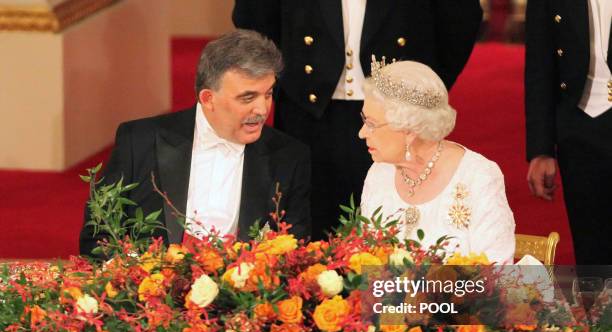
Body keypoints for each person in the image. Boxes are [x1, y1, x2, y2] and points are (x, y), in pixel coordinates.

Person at [233, 1, 483, 239]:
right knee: (307, 222)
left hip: (396, 119)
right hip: (306, 111)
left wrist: (421, 92)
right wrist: (279, 85)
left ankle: (383, 284)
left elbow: (459, 18)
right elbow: (254, 16)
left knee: (391, 225)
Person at [79, 30, 311, 256]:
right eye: (247, 98)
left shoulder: (288, 157)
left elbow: (294, 251)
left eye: (268, 94)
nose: (262, 110)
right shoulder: (139, 142)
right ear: (208, 99)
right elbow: (98, 238)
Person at [359, 59, 515, 264]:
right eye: (364, 120)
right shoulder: (379, 173)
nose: (362, 133)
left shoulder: (478, 177)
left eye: (371, 124)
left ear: (409, 130)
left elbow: (497, 278)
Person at [525, 0, 612, 265]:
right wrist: (541, 148)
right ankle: (599, 308)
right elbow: (540, 63)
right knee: (593, 249)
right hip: (580, 123)